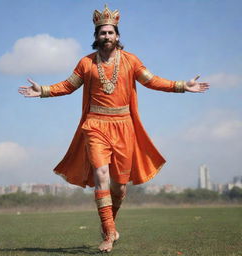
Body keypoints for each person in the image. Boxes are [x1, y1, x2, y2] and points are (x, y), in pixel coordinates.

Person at [18, 5, 209, 252]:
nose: (106, 36)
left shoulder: (130, 60)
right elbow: (68, 85)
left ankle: (111, 223)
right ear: (96, 36)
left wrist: (182, 85)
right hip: (95, 125)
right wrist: (43, 90)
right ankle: (108, 234)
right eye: (102, 33)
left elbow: (152, 81)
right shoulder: (85, 63)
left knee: (119, 186)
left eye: (110, 32)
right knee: (101, 176)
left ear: (117, 35)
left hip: (124, 127)